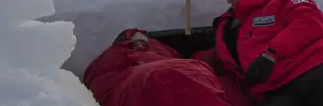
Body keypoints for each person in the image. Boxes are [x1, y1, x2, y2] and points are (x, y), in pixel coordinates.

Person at [82, 28, 239, 106]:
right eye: (133, 37)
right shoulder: (111, 57)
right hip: (136, 82)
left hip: (180, 74)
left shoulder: (162, 50)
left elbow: (198, 60)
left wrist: (226, 51)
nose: (139, 41)